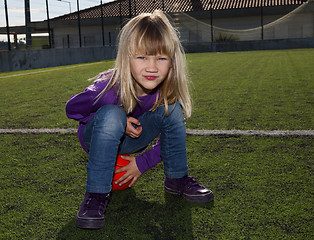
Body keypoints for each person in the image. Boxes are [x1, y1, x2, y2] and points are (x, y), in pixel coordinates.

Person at [65, 10, 213, 230]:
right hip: (96, 137)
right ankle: (95, 195)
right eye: (142, 57)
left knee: (171, 107)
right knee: (112, 115)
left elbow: (169, 141)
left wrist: (141, 164)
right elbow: (72, 109)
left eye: (161, 58)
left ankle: (177, 179)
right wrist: (116, 116)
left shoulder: (165, 91)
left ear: (172, 63)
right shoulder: (108, 88)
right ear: (127, 58)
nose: (152, 67)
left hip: (135, 136)